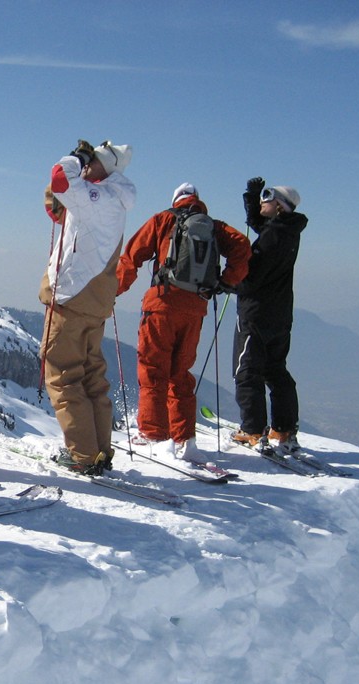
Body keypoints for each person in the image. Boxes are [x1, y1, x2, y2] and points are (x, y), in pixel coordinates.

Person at [116, 183, 250, 462]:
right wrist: (227, 281)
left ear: (176, 200)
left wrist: (112, 291)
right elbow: (242, 246)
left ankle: (152, 434)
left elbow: (132, 257)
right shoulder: (214, 227)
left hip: (161, 306)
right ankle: (185, 438)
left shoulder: (163, 220)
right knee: (180, 374)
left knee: (153, 369)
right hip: (195, 309)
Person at [39, 139, 135, 474]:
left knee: (64, 376)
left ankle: (82, 454)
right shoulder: (113, 199)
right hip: (96, 300)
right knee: (92, 376)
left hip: (72, 296)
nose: (85, 166)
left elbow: (59, 177)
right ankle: (99, 450)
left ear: (101, 165)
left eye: (90, 161)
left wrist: (75, 157)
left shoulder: (97, 197)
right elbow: (57, 205)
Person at [231, 181, 308, 452]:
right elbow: (261, 225)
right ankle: (284, 429)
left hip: (256, 314)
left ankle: (253, 430)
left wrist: (226, 282)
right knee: (275, 369)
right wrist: (251, 198)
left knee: (247, 370)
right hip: (280, 315)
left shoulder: (273, 235)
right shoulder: (288, 231)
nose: (263, 201)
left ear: (279, 206)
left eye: (268, 197)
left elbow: (251, 278)